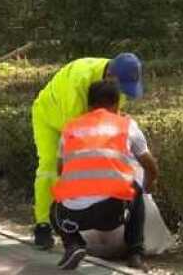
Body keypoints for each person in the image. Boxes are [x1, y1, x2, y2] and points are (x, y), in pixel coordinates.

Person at [32, 53, 145, 250]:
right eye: (121, 89)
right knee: (50, 167)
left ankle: (77, 221)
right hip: (50, 117)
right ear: (110, 76)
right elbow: (77, 138)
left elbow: (112, 121)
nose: (122, 94)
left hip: (78, 123)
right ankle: (43, 225)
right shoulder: (79, 81)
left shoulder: (117, 79)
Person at [50, 80, 158, 270]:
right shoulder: (127, 125)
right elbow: (150, 165)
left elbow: (61, 170)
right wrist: (149, 186)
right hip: (111, 213)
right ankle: (135, 253)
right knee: (135, 187)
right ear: (116, 105)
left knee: (54, 206)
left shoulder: (70, 128)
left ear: (89, 105)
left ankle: (73, 244)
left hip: (72, 217)